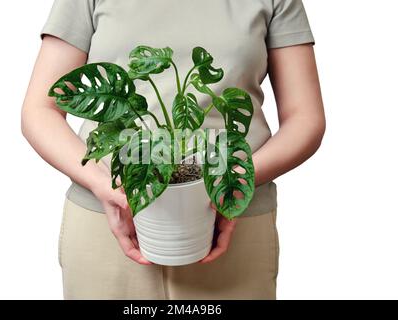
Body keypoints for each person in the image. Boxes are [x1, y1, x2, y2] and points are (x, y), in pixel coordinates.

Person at [21, 0, 325, 300]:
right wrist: (107, 188)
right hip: (109, 225)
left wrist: (230, 186)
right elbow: (40, 110)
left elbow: (306, 118)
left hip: (233, 225)